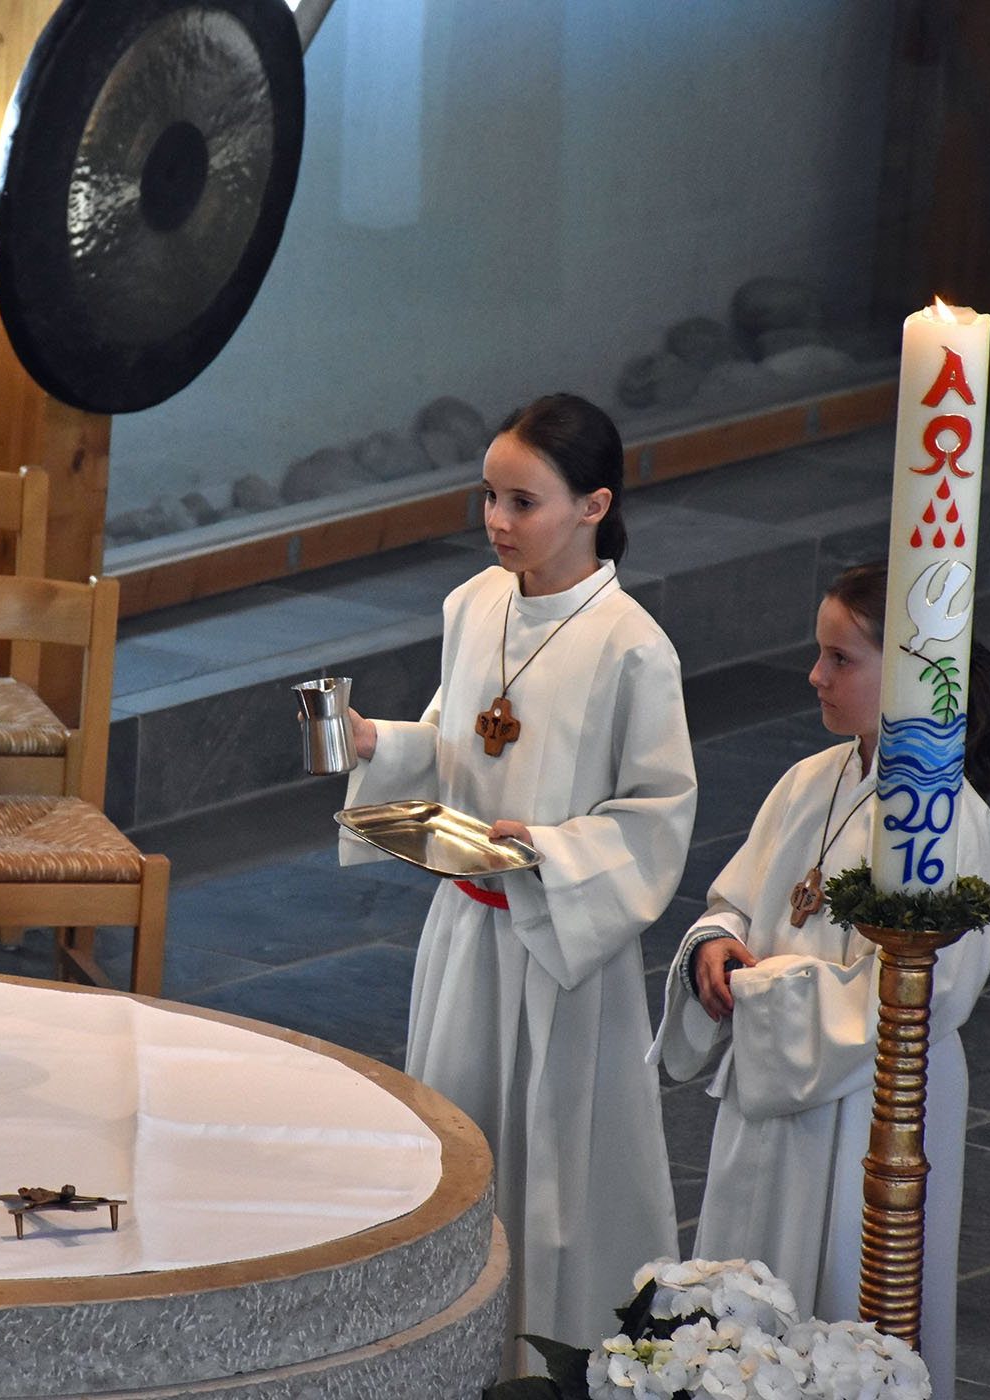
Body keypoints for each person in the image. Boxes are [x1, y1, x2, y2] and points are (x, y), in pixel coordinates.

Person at [341, 393, 694, 1356]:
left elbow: (658, 811)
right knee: (460, 1127)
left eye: (523, 502)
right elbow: (460, 742)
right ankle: (456, 1328)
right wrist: (381, 743)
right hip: (468, 925)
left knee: (555, 1154)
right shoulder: (474, 605)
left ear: (592, 506)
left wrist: (551, 847)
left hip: (560, 941)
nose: (497, 521)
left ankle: (554, 1342)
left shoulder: (631, 647)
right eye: (488, 497)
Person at [652, 561, 990, 1398]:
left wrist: (766, 989)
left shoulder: (947, 816)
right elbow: (735, 897)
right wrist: (716, 948)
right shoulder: (812, 780)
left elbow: (934, 989)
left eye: (840, 658)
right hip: (777, 1088)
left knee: (850, 1297)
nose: (814, 674)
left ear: (912, 674)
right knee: (751, 1290)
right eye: (821, 653)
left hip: (870, 1098)